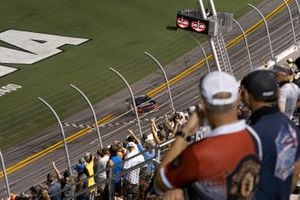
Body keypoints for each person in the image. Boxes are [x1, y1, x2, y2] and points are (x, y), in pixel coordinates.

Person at [151, 71, 262, 199]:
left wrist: (185, 133)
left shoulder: (199, 152)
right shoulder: (254, 136)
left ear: (203, 103)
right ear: (237, 99)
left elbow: (160, 183)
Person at [240, 70, 300, 199]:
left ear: (245, 95)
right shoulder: (290, 127)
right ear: (277, 92)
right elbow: (293, 173)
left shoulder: (250, 133)